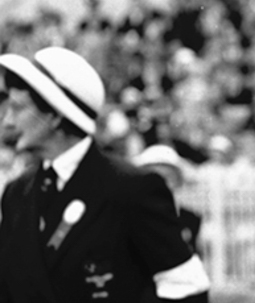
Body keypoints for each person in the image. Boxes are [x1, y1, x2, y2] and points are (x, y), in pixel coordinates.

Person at [0, 47, 210, 303]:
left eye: (17, 108)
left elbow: (187, 286)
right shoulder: (16, 193)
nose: (7, 121)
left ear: (54, 116)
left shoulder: (132, 187)